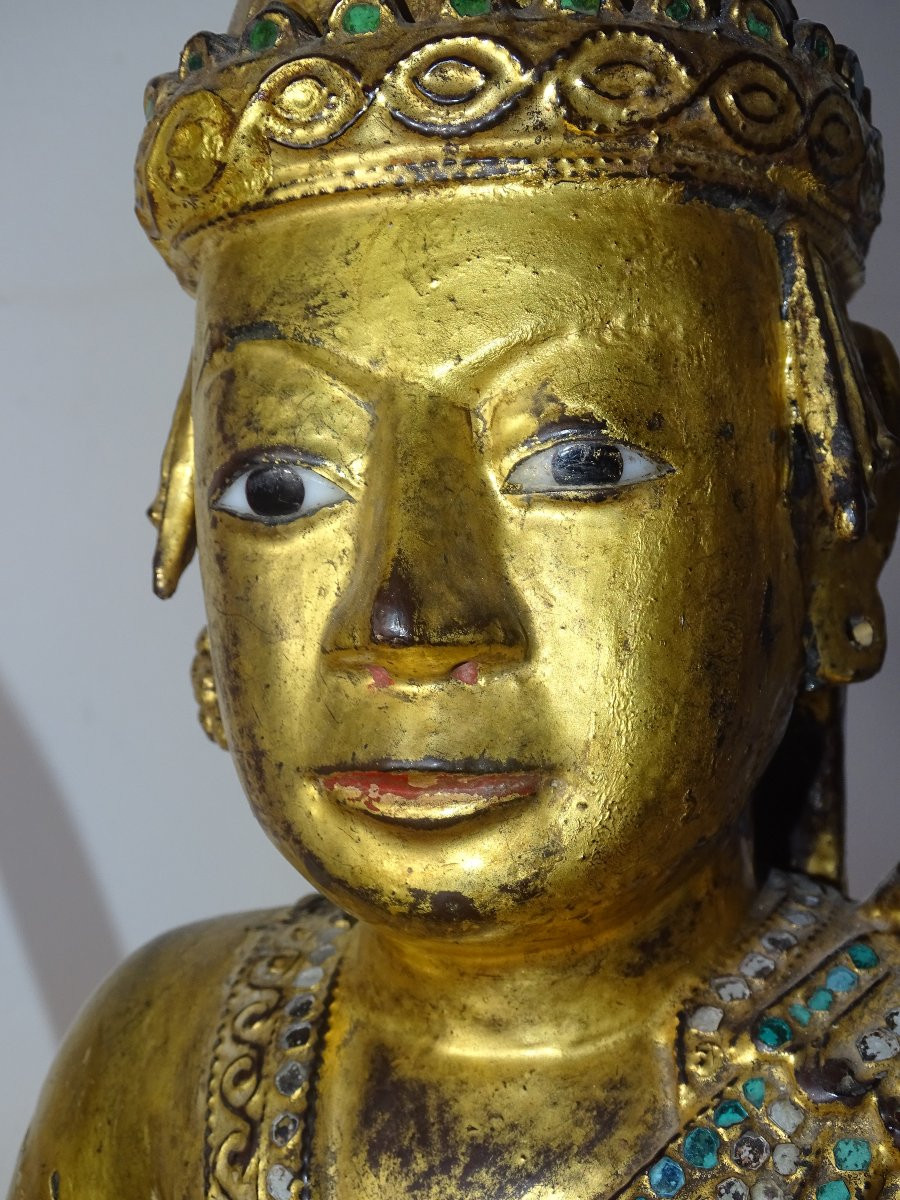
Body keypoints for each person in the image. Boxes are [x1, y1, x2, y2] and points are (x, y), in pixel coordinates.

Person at [9, 0, 900, 1196]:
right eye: (282, 484)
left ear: (834, 523)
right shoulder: (154, 1060)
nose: (407, 621)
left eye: (580, 464)